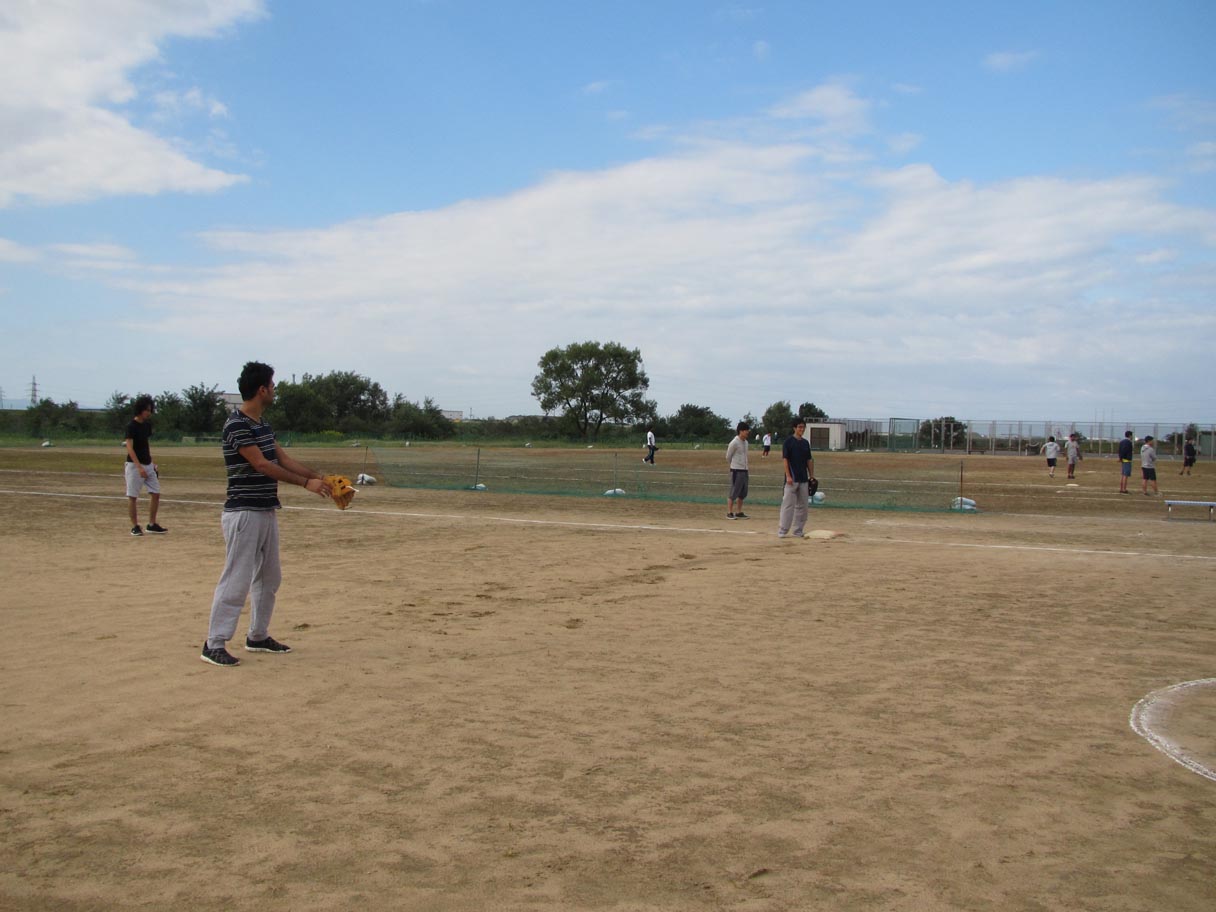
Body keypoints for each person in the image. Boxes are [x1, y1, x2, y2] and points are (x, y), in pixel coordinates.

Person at [202, 362, 331, 668]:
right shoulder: (236, 424)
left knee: (270, 577)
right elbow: (261, 464)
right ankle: (214, 643)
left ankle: (257, 636)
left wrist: (320, 478)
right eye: (272, 385)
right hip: (243, 512)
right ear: (261, 390)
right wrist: (305, 484)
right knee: (236, 578)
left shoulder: (262, 425)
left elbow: (282, 459)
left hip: (265, 509)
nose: (275, 390)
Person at [124, 395, 166, 536]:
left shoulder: (147, 426)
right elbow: (130, 448)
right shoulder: (131, 426)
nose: (149, 413)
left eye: (150, 410)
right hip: (134, 465)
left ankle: (152, 524)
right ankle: (135, 526)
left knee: (156, 493)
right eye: (146, 410)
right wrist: (139, 467)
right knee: (133, 496)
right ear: (140, 410)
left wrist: (151, 463)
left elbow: (145, 446)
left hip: (148, 464)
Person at [778, 419, 815, 539]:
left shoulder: (805, 443)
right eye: (799, 427)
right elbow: (785, 460)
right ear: (794, 428)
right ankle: (783, 530)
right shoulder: (788, 442)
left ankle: (798, 530)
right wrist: (788, 476)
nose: (801, 429)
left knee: (803, 506)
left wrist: (811, 476)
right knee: (788, 505)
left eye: (803, 427)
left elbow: (809, 460)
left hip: (803, 478)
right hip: (792, 479)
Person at [726, 421, 750, 519]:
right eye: (746, 430)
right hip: (736, 470)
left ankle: (739, 512)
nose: (747, 432)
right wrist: (734, 465)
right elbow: (728, 456)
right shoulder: (734, 442)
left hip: (745, 470)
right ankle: (729, 512)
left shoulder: (746, 443)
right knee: (734, 491)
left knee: (743, 492)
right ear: (740, 431)